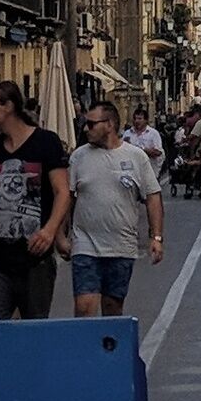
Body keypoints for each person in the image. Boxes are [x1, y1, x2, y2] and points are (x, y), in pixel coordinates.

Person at [0, 81, 69, 318]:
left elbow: (62, 192)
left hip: (34, 259)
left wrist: (50, 231)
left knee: (32, 333)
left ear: (8, 106)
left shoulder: (46, 142)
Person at [67, 93, 164, 318]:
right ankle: (87, 353)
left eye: (91, 124)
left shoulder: (135, 157)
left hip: (121, 246)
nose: (85, 129)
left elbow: (153, 196)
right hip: (85, 245)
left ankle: (107, 352)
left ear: (109, 125)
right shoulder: (78, 157)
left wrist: (156, 237)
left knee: (112, 310)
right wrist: (62, 235)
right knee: (84, 308)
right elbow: (68, 196)